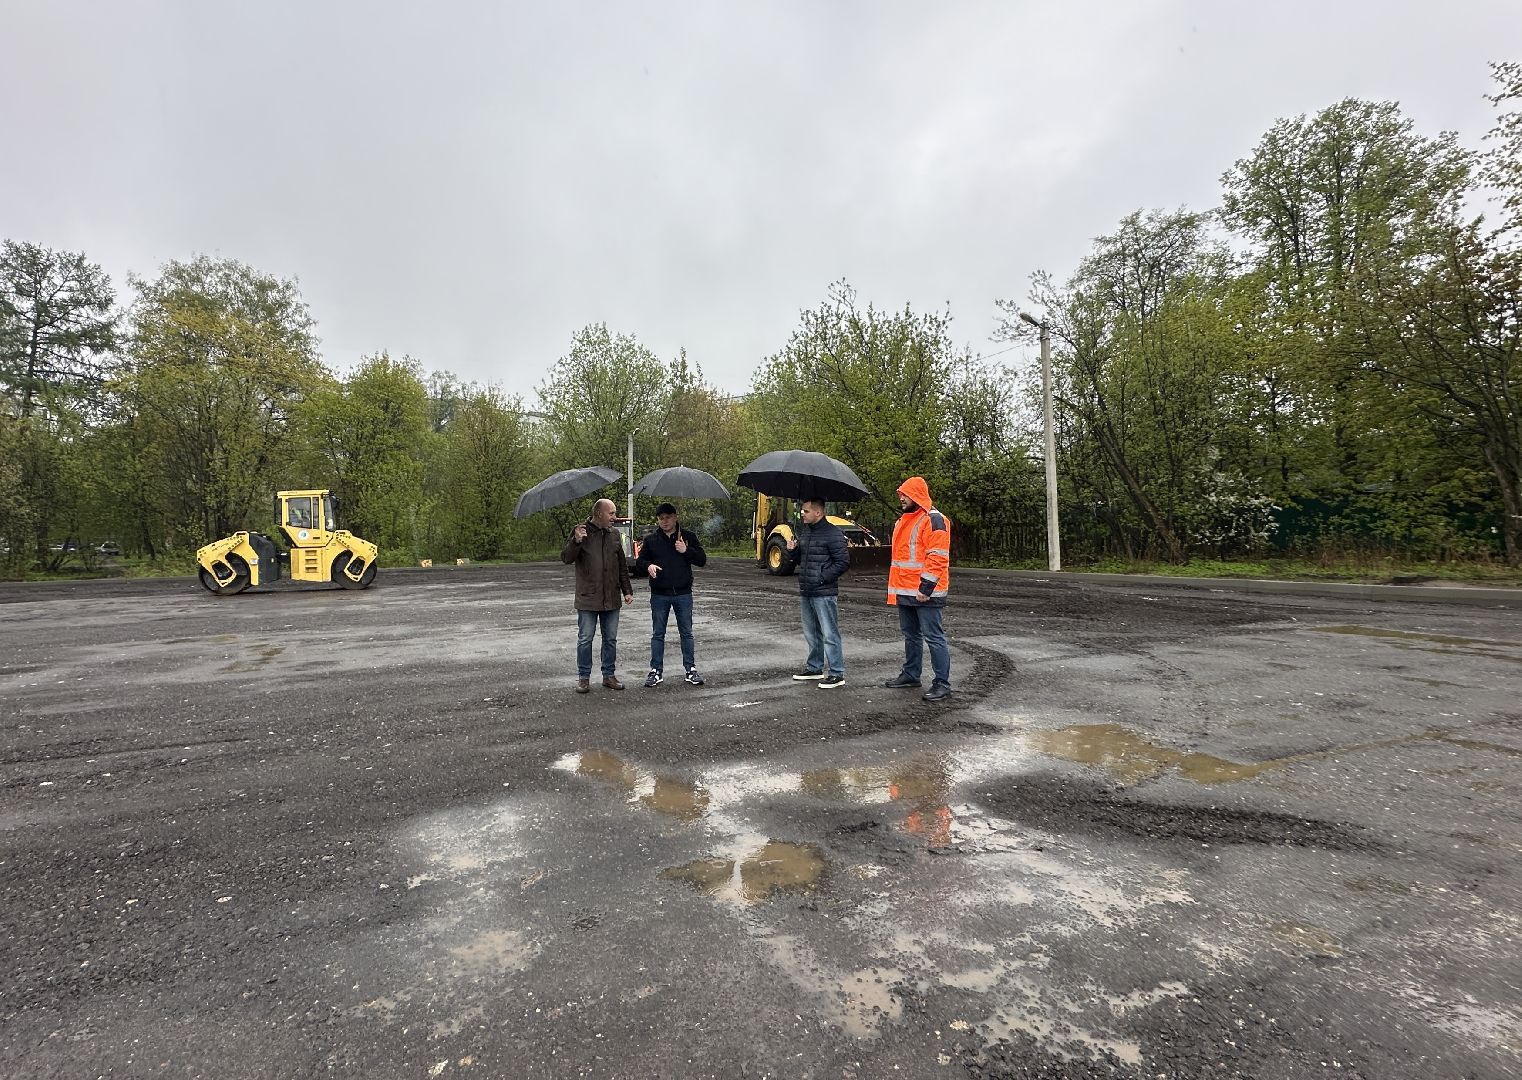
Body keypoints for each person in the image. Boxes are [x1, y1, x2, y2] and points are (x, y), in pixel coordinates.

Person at [883, 476, 952, 701]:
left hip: (925, 592)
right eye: (901, 494)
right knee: (911, 635)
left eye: (906, 494)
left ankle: (942, 683)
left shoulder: (934, 520)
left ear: (918, 496)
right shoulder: (904, 520)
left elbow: (938, 557)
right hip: (906, 590)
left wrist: (926, 587)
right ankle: (911, 674)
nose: (901, 497)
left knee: (933, 637)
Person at [631, 502, 708, 687]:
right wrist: (647, 566)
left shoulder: (688, 537)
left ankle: (690, 669)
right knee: (658, 634)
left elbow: (702, 560)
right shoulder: (651, 540)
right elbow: (640, 562)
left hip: (683, 593)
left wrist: (686, 550)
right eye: (661, 518)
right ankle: (656, 671)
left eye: (668, 517)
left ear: (675, 517)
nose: (664, 521)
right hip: (660, 594)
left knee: (686, 633)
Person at [561, 497, 634, 693]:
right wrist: (576, 541)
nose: (614, 517)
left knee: (610, 639)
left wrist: (627, 590)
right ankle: (583, 678)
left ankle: (608, 676)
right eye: (611, 513)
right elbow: (566, 558)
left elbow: (622, 566)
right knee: (585, 638)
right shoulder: (580, 532)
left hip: (611, 597)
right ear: (599, 514)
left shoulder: (615, 535)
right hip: (588, 598)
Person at [786, 498, 849, 688]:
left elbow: (843, 562)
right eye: (802, 511)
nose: (802, 514)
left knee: (829, 633)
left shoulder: (833, 534)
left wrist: (821, 577)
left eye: (806, 511)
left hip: (824, 592)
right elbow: (802, 560)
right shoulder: (806, 532)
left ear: (818, 513)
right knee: (811, 632)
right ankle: (814, 667)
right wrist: (793, 551)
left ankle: (837, 672)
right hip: (807, 590)